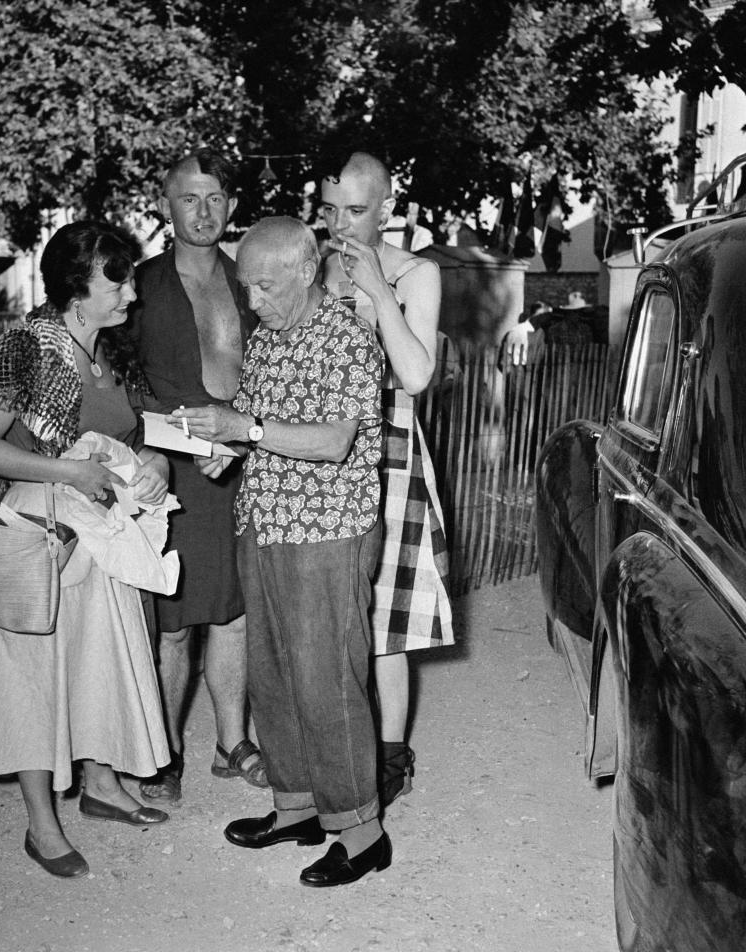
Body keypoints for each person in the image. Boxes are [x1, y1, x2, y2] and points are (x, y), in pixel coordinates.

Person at [0, 221, 173, 879]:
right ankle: (41, 824)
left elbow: (132, 432)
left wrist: (153, 457)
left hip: (95, 543)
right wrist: (71, 473)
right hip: (35, 540)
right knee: (33, 680)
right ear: (77, 285)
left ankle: (100, 785)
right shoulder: (26, 347)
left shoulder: (108, 350)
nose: (132, 291)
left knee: (94, 668)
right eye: (119, 278)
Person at [179, 217, 389, 887]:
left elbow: (332, 441)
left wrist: (250, 428)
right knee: (271, 675)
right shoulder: (269, 341)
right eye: (247, 289)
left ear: (305, 271)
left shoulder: (350, 341)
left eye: (266, 286)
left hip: (327, 529)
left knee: (327, 680)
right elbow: (254, 424)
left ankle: (361, 832)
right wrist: (225, 448)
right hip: (264, 523)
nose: (254, 302)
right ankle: (297, 805)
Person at [128, 149, 265, 801]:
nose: (204, 211)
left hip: (240, 466)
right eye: (190, 198)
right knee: (173, 622)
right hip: (169, 470)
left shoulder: (251, 282)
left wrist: (239, 433)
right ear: (165, 204)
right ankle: (165, 751)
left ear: (232, 206)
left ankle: (232, 742)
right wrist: (178, 437)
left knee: (235, 615)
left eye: (215, 199)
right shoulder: (140, 285)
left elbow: (273, 371)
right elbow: (120, 383)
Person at [320, 151, 454, 805]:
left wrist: (376, 290)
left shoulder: (415, 274)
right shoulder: (311, 266)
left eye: (355, 210)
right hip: (319, 455)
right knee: (325, 607)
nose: (340, 224)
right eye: (328, 209)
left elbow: (417, 374)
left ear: (387, 208)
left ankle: (390, 757)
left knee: (386, 623)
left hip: (391, 455)